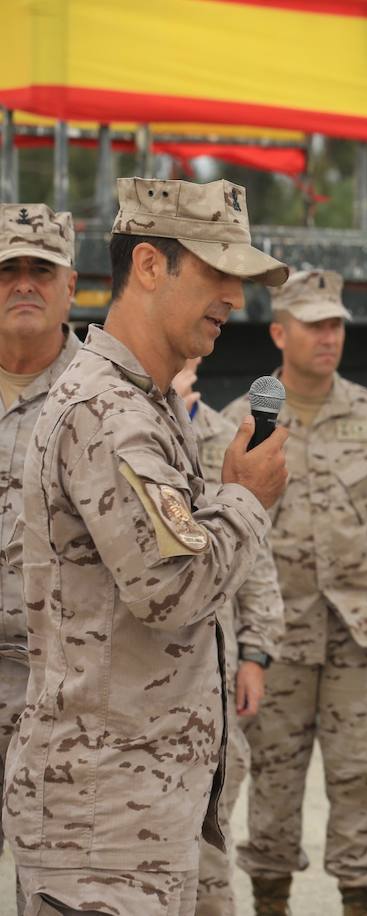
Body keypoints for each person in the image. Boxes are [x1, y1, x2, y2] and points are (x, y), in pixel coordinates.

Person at [3, 177, 289, 914]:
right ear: (150, 267)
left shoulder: (145, 403)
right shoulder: (108, 409)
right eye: (216, 271)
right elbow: (174, 589)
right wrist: (247, 500)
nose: (234, 294)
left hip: (148, 808)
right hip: (104, 826)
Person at [224, 268, 367, 916]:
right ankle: (269, 903)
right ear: (281, 332)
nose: (328, 336)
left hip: (360, 640)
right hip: (275, 642)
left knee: (364, 783)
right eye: (314, 324)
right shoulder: (241, 423)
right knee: (272, 788)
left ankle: (362, 903)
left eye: (335, 323)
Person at [171, 358, 286, 916]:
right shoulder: (121, 422)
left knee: (210, 851)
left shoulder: (225, 438)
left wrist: (257, 655)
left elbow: (256, 563)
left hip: (215, 675)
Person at [0, 203, 81, 845]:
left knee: (57, 881)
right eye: (8, 269)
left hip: (67, 685)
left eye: (41, 269)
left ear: (71, 286)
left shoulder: (107, 396)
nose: (24, 282)